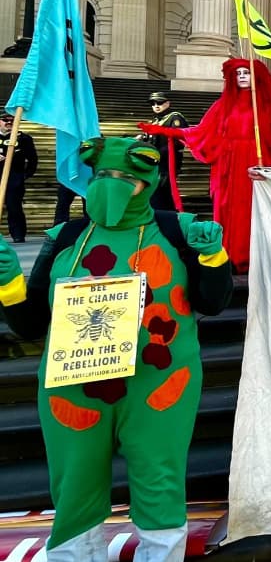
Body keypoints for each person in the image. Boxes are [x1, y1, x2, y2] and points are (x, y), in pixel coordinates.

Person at [0, 136, 232, 560]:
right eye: (103, 175)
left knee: (158, 480)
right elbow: (30, 322)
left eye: (127, 177)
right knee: (74, 487)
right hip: (74, 387)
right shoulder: (64, 236)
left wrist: (212, 258)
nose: (113, 185)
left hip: (159, 383)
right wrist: (10, 283)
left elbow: (213, 303)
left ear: (151, 179)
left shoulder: (177, 229)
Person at [140, 59, 271, 273]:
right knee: (228, 209)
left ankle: (255, 256)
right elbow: (200, 132)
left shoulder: (264, 106)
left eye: (246, 72)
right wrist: (165, 131)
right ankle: (229, 257)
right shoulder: (222, 106)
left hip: (255, 164)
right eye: (238, 73)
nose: (241, 76)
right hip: (228, 166)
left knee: (253, 209)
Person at [142, 91, 188, 211]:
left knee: (163, 189)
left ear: (168, 103)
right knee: (159, 192)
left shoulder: (175, 118)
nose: (156, 106)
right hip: (155, 163)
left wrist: (157, 154)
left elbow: (178, 141)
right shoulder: (155, 121)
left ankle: (167, 214)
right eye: (153, 103)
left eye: (160, 102)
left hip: (168, 162)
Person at [0, 112, 37, 243]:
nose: (9, 122)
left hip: (14, 178)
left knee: (14, 207)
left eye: (12, 119)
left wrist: (25, 175)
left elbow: (33, 159)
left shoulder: (24, 138)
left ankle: (18, 234)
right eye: (5, 119)